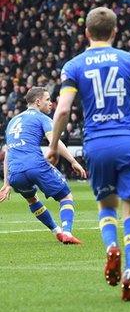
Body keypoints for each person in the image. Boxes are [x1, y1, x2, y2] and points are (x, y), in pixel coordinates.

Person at [47, 7, 130, 301]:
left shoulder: (74, 65)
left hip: (96, 143)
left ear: (86, 33)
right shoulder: (129, 60)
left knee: (106, 208)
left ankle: (110, 248)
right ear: (115, 32)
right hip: (128, 141)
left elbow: (64, 110)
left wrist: (54, 146)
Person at [0, 87, 86, 244]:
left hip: (15, 172)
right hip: (35, 165)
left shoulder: (12, 121)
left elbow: (7, 153)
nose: (51, 103)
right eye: (47, 100)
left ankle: (56, 231)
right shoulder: (42, 118)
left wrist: (7, 183)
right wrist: (73, 161)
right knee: (66, 196)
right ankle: (66, 231)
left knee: (32, 200)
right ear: (38, 102)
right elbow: (55, 141)